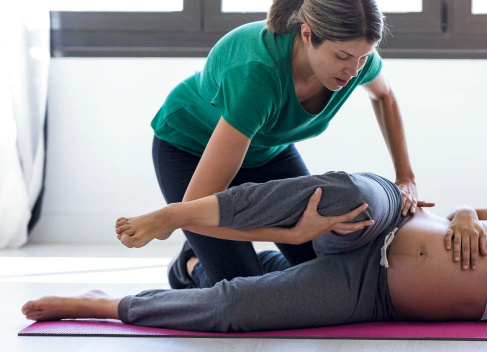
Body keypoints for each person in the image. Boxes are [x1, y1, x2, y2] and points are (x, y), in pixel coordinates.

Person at [22, 172, 487, 334]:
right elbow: (468, 202)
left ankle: (105, 304)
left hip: (372, 294)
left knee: (244, 310)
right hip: (386, 221)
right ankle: (176, 220)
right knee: (332, 193)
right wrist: (469, 216)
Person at [150, 0, 430, 289]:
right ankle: (190, 264)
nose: (354, 71)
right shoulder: (256, 75)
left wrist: (406, 176)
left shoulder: (356, 59)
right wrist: (292, 234)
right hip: (189, 148)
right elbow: (189, 214)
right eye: (343, 56)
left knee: (333, 273)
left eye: (363, 58)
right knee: (247, 292)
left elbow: (384, 96)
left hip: (267, 153)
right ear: (307, 34)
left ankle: (250, 264)